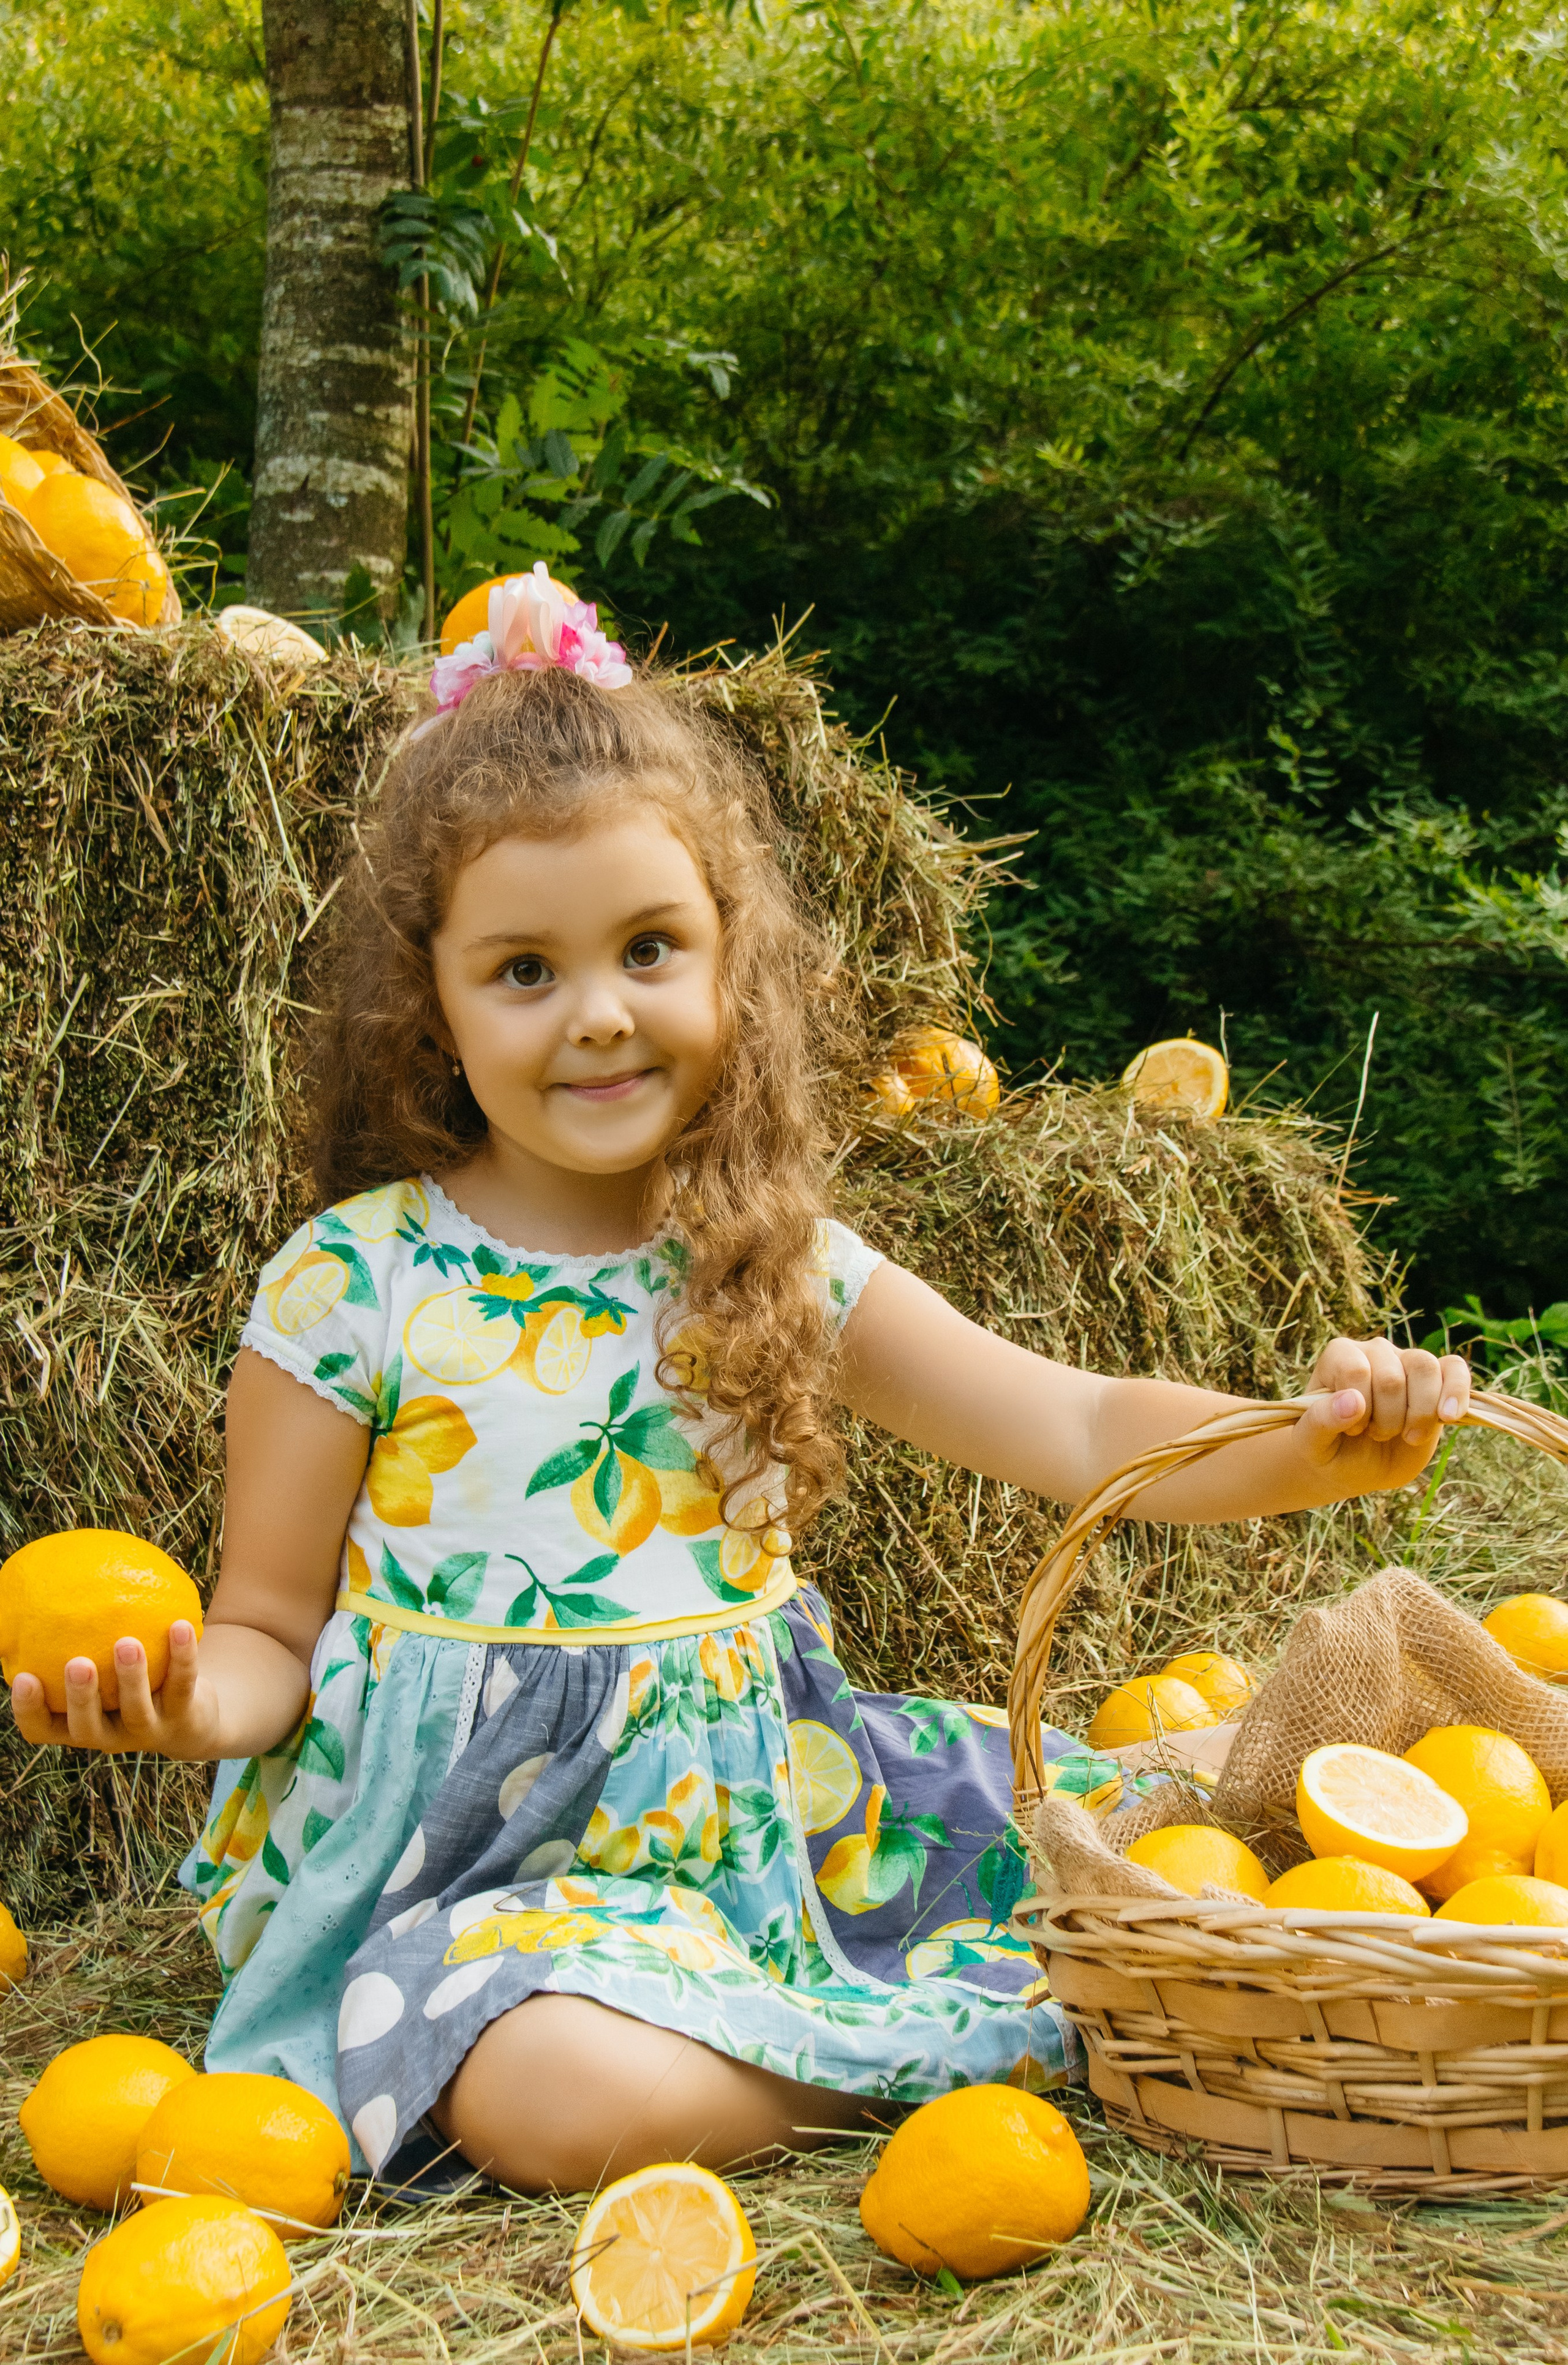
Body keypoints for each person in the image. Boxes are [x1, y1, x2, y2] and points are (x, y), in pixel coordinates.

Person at [10, 570, 1471, 2197]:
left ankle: (963, 2009)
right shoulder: (356, 1283)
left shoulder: (772, 1260)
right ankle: (993, 2050)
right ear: (429, 1000)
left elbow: (1077, 1423)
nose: (600, 1016)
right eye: (524, 971)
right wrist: (178, 1706)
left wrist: (1315, 1443)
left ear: (731, 962)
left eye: (650, 949)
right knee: (545, 2096)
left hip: (763, 1839)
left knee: (1157, 1834)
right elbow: (266, 1637)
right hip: (462, 1887)